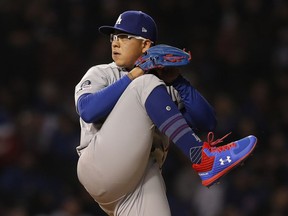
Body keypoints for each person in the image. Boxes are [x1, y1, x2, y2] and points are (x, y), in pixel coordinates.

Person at [74, 10, 257, 216]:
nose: (115, 43)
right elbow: (88, 111)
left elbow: (207, 122)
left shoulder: (163, 87)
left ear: (146, 45)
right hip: (99, 165)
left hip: (138, 181)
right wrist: (137, 73)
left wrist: (179, 81)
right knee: (145, 83)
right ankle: (203, 158)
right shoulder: (103, 72)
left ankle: (205, 158)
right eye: (113, 37)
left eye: (124, 37)